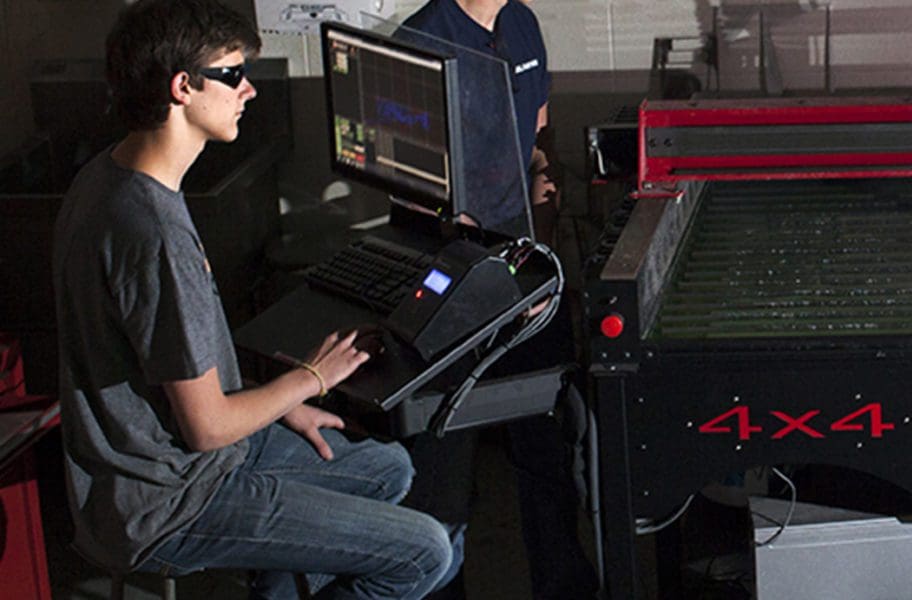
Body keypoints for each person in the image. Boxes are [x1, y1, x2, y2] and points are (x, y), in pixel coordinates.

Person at [51, 1, 457, 597]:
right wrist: (308, 380)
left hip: (159, 463)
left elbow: (170, 372)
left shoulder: (110, 178)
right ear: (183, 87)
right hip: (172, 501)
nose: (248, 91)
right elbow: (209, 428)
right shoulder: (154, 235)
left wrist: (274, 406)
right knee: (425, 552)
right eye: (233, 74)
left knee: (386, 469)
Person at [399, 1, 600, 598]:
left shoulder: (522, 24)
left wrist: (543, 179)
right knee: (444, 469)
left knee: (547, 445)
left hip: (526, 274)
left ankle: (562, 584)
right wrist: (471, 248)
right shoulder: (423, 41)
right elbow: (410, 188)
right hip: (454, 282)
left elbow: (537, 132)